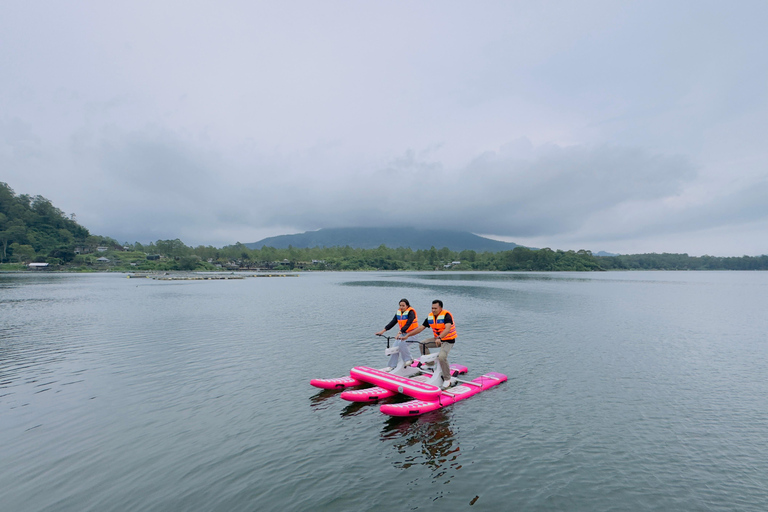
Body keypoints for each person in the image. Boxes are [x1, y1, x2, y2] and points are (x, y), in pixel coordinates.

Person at [399, 299, 456, 389]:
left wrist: (439, 337)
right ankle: (430, 364)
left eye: (435, 308)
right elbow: (421, 328)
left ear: (440, 308)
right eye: (432, 308)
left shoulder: (446, 315)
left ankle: (447, 379)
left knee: (442, 357)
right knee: (422, 343)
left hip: (448, 340)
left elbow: (447, 329)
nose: (433, 310)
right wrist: (408, 335)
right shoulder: (430, 317)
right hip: (438, 339)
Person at [375, 298, 417, 370]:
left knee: (402, 344)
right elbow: (393, 322)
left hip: (412, 334)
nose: (401, 307)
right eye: (400, 305)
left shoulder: (411, 312)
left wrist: (399, 333)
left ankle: (409, 359)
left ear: (407, 306)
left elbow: (408, 324)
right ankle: (392, 366)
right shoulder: (398, 313)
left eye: (403, 305)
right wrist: (383, 331)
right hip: (403, 334)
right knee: (394, 348)